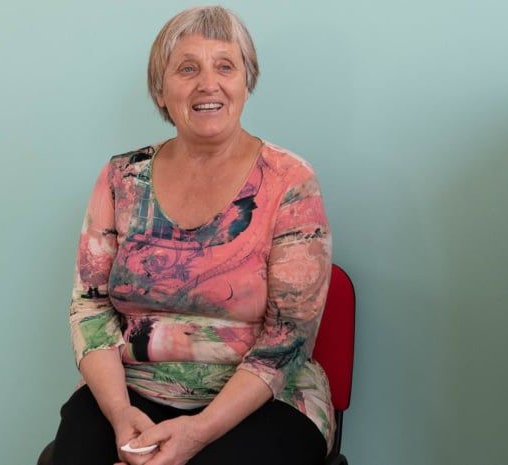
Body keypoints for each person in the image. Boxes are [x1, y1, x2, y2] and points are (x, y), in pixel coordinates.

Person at [50, 6, 334, 465]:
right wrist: (120, 414)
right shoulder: (121, 177)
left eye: (225, 66)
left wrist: (197, 433)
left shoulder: (289, 181)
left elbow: (289, 337)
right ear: (160, 91)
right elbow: (90, 306)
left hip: (265, 399)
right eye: (187, 69)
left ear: (246, 82)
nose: (208, 83)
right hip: (132, 392)